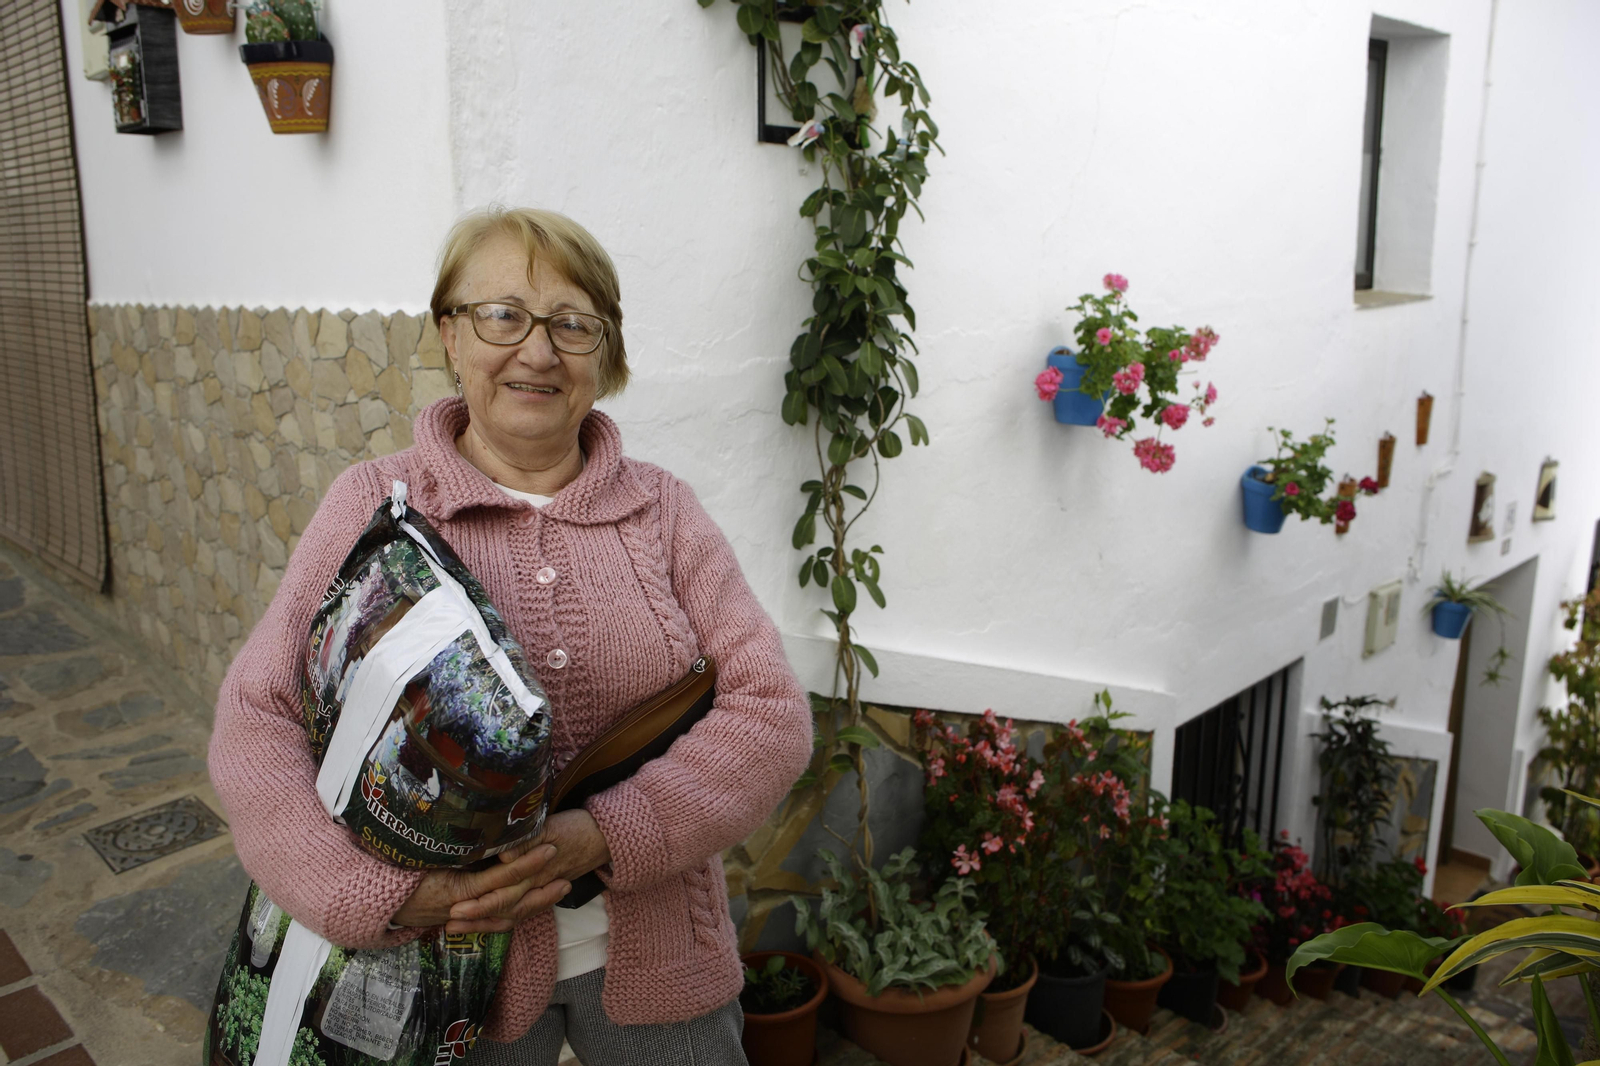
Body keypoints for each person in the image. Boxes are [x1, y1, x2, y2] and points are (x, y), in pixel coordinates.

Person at [208, 206, 813, 1065]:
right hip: (446, 981)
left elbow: (772, 714)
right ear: (450, 335)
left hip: (660, 961)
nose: (537, 350)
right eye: (503, 315)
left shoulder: (664, 513)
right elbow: (257, 715)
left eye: (573, 324)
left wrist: (608, 833)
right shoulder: (377, 507)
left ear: (604, 357)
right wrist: (376, 893)